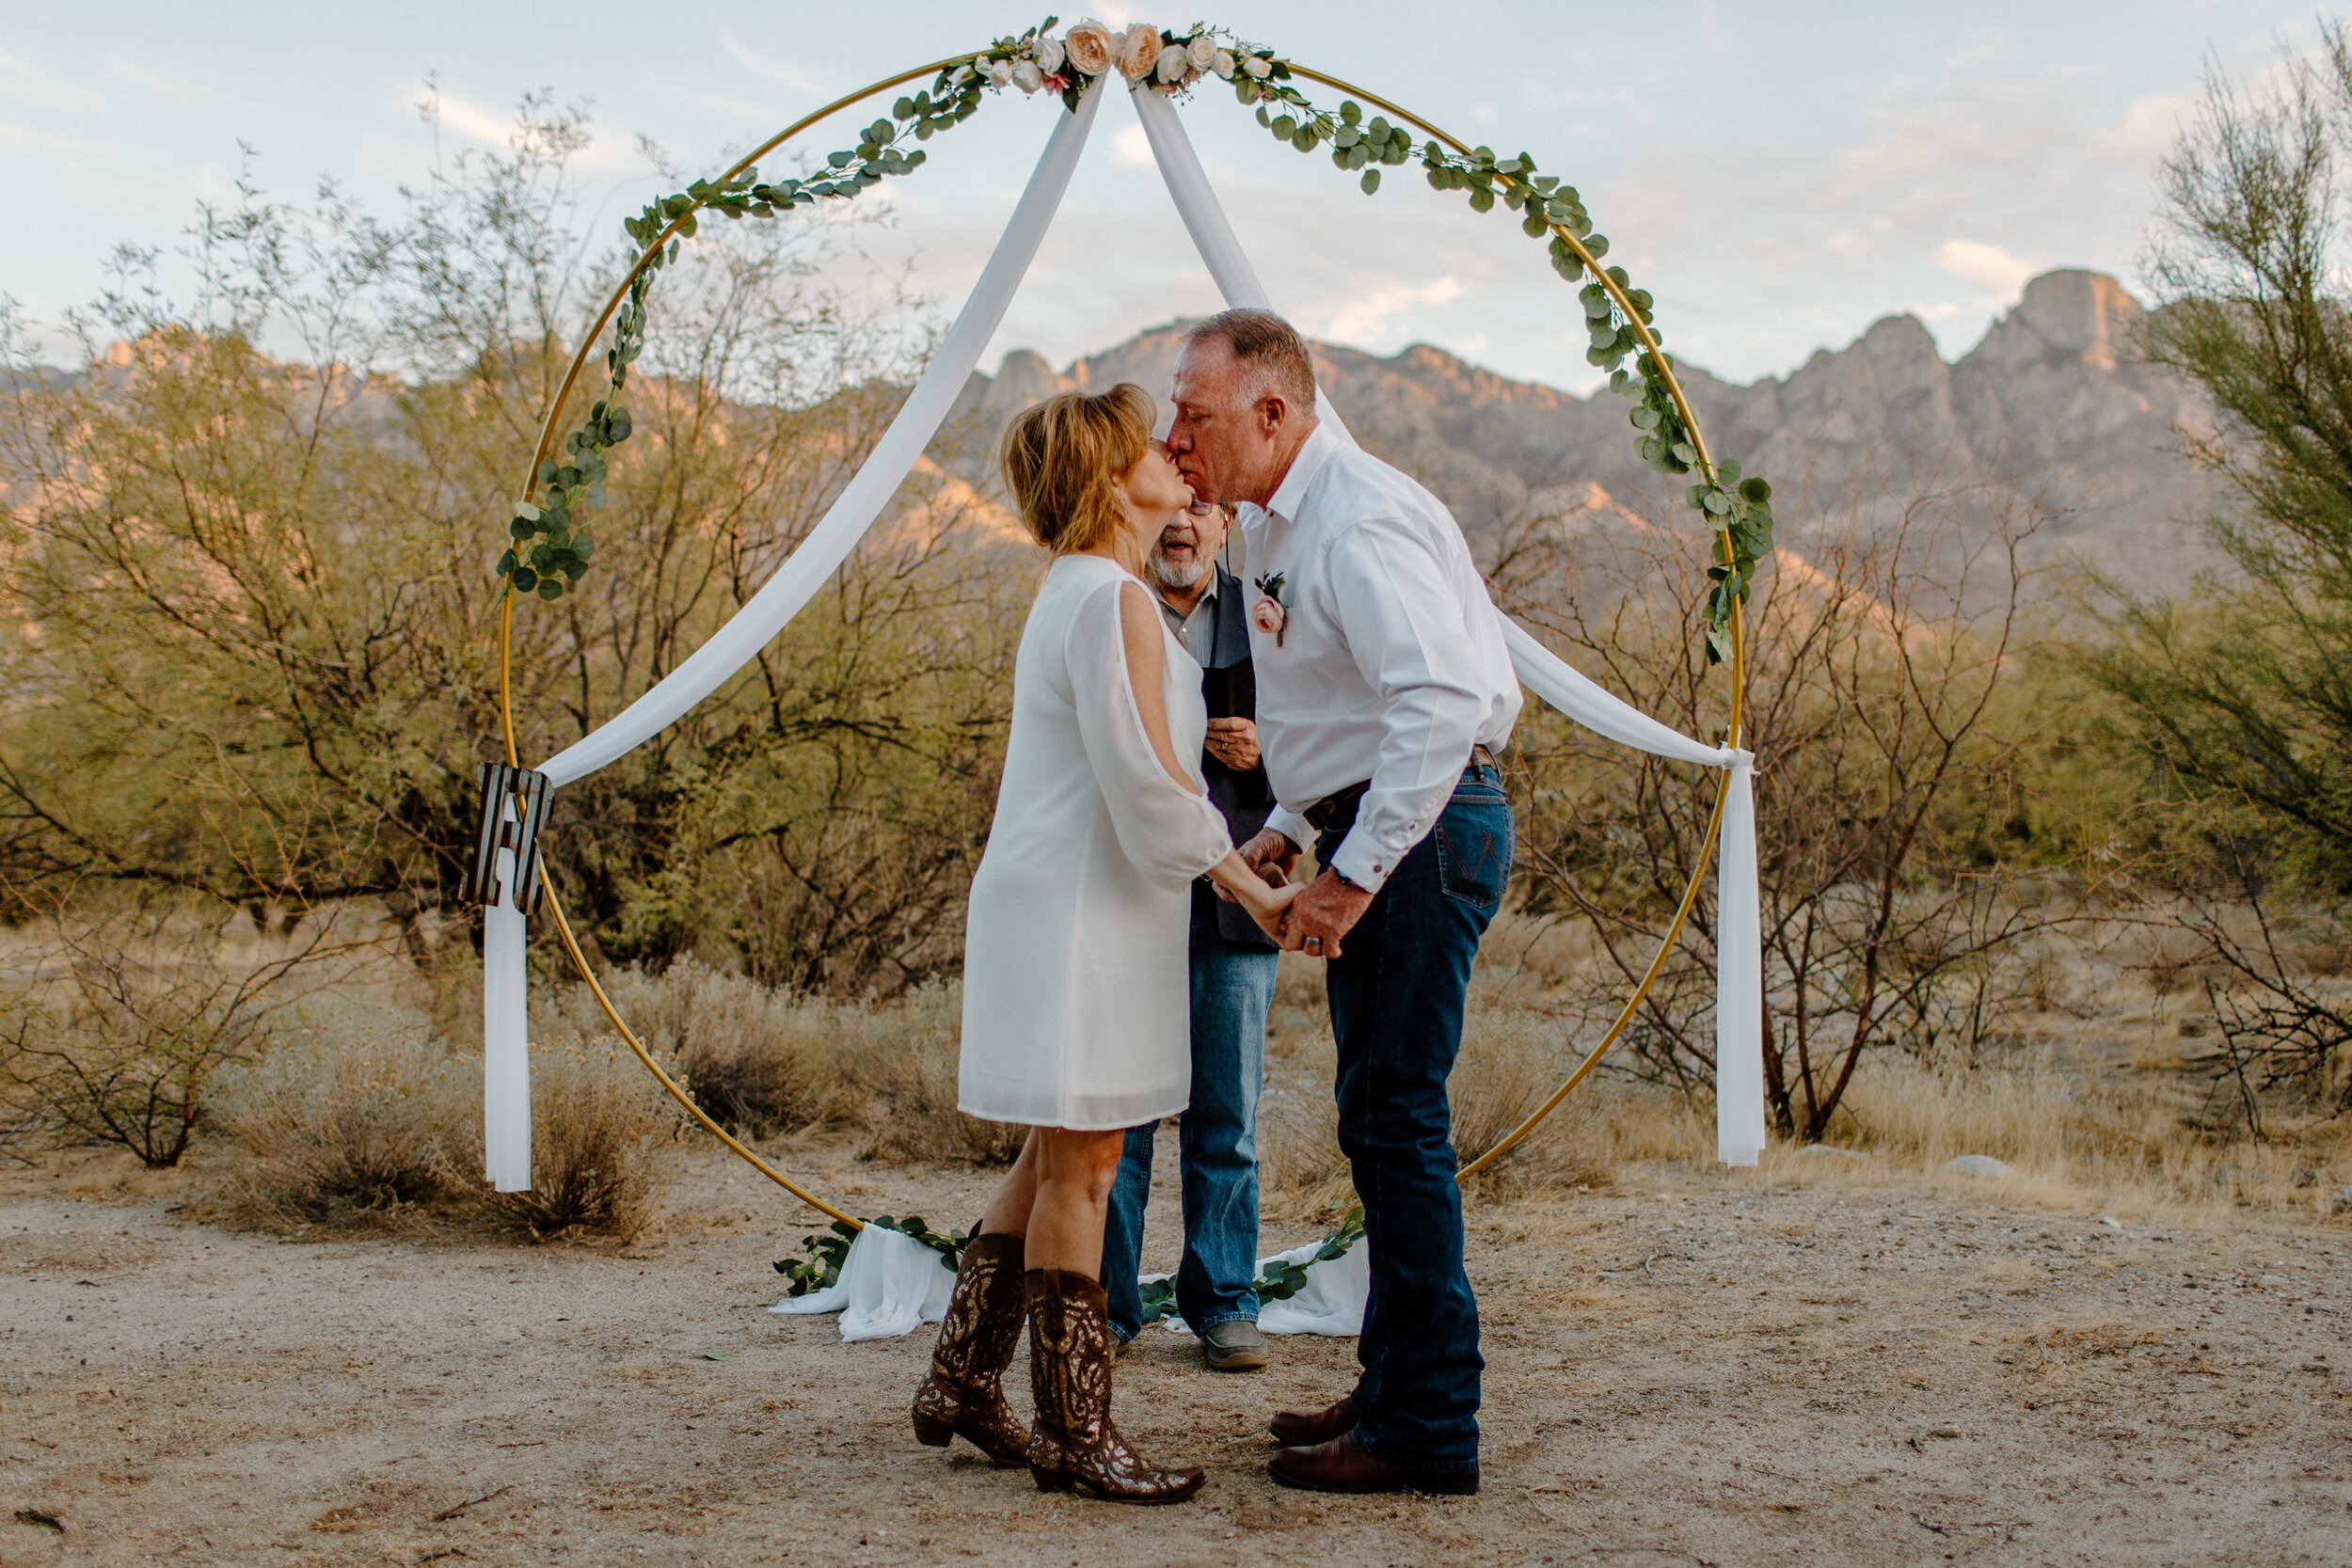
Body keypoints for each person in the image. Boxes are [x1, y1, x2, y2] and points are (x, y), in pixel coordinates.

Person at [910, 384, 1298, 1505]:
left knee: (1048, 1154)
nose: (1173, 454)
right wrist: (1253, 889)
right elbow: (1148, 788)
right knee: (1088, 1161)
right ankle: (1078, 1433)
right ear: (1105, 475)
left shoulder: (1079, 592)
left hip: (1078, 899)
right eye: (1147, 446)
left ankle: (962, 1383)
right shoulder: (1113, 602)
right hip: (1086, 909)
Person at [1166, 309, 1521, 1497]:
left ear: (1272, 412)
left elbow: (1436, 701)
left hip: (1421, 832)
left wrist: (1351, 874)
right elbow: (1346, 718)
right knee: (1378, 1120)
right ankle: (1391, 1386)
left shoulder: (1358, 519)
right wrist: (1288, 829)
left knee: (1398, 1122)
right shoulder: (1277, 522)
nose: (1175, 438)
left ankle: (1428, 1428)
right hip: (1381, 816)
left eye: (1194, 413)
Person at [1099, 497, 1279, 1371]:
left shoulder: (1268, 614)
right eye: (1170, 508)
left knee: (1227, 1112)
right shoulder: (1115, 608)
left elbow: (1330, 730)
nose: (1183, 524)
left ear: (1225, 523)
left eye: (1200, 510)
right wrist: (1181, 733)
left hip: (1238, 896)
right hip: (1136, 892)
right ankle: (1110, 1306)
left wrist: (1268, 747)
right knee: (1126, 1111)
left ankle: (1225, 1301)